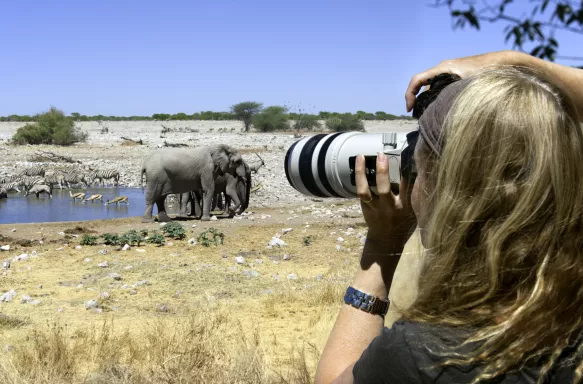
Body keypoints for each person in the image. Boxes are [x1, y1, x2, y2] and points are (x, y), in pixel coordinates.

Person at [315, 50, 583, 384]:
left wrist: (381, 246)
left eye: (419, 161)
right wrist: (521, 65)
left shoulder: (428, 354)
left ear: (445, 189)